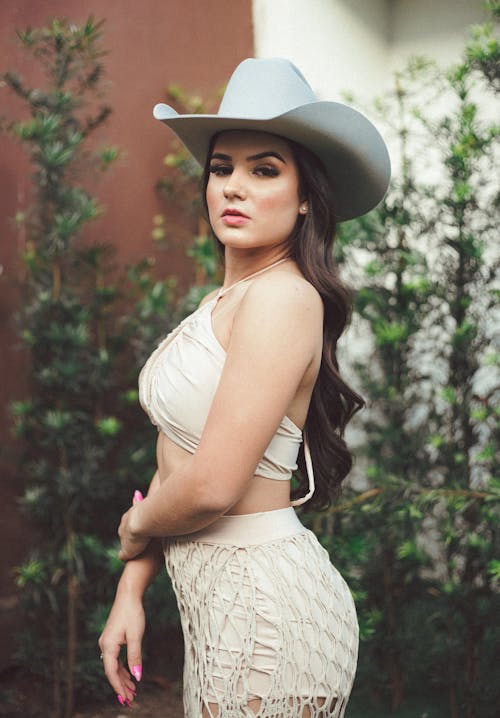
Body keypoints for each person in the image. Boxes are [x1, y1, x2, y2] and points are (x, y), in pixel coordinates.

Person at [98, 57, 390, 718]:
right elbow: (177, 454)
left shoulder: (286, 300)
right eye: (222, 168)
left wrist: (134, 524)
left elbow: (211, 488)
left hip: (270, 618)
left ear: (307, 194)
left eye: (264, 170)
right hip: (223, 614)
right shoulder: (224, 301)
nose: (235, 187)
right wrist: (132, 584)